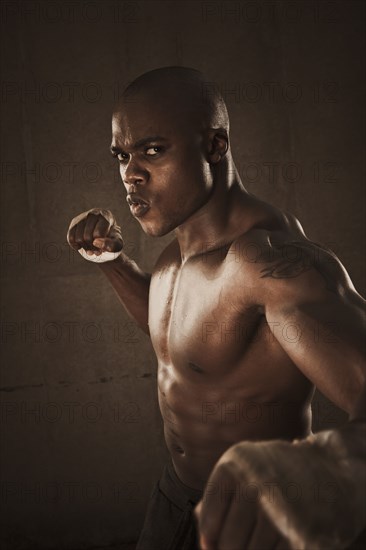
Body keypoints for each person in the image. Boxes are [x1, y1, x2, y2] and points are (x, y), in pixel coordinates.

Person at [67, 67, 365, 549]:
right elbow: (184, 337)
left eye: (152, 150)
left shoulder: (265, 260)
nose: (130, 173)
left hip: (254, 519)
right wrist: (112, 263)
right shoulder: (175, 255)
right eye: (122, 156)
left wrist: (334, 465)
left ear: (215, 147)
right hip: (172, 498)